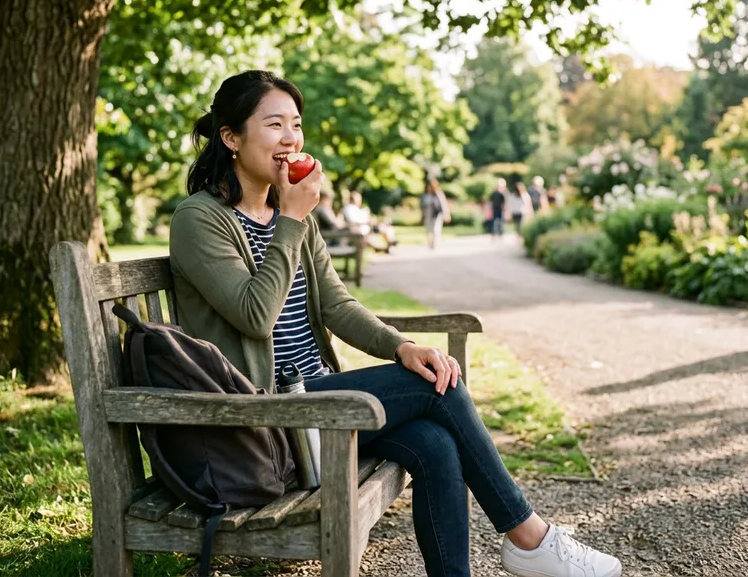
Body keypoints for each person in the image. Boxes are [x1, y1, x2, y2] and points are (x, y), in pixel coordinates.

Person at [169, 70, 622, 577]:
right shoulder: (200, 219)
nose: (291, 138)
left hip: (315, 406)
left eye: (296, 124)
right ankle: (528, 537)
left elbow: (337, 306)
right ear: (230, 138)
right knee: (435, 389)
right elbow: (256, 316)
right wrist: (292, 221)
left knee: (434, 440)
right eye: (274, 124)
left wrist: (401, 346)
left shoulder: (292, 214)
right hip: (265, 424)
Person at [420, 178, 451, 250]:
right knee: (428, 229)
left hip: (436, 214)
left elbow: (444, 204)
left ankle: (434, 243)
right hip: (428, 214)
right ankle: (430, 242)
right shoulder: (425, 195)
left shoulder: (439, 194)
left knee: (436, 229)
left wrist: (446, 214)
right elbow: (422, 205)